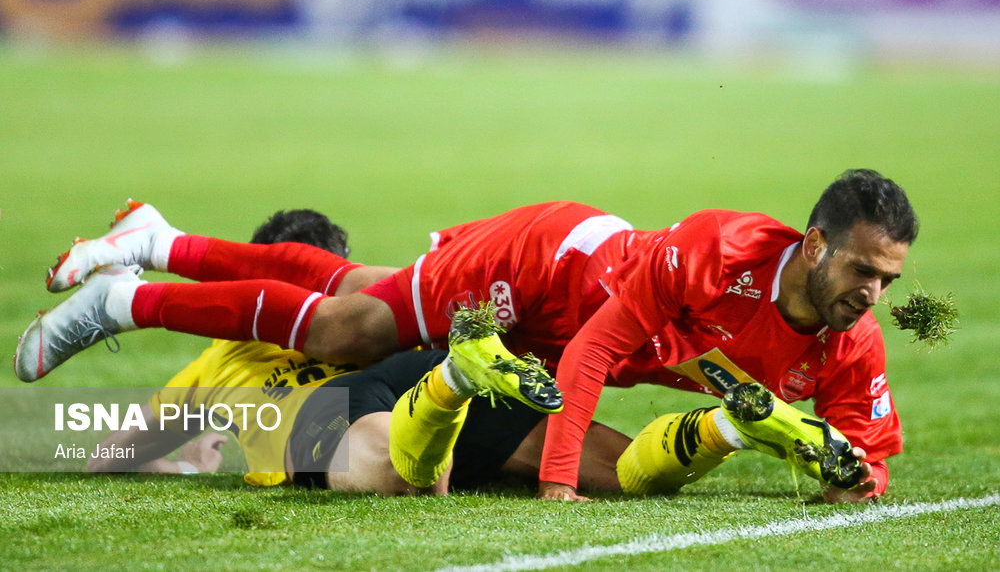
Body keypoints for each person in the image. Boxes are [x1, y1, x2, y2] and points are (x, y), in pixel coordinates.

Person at [18, 169, 917, 503]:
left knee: (360, 288)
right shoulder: (714, 254)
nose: (871, 294)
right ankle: (127, 296)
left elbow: (868, 457)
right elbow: (598, 353)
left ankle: (159, 236)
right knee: (346, 330)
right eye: (862, 273)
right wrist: (557, 482)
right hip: (539, 271)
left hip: (542, 332)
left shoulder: (844, 338)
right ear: (814, 246)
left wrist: (846, 472)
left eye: (888, 282)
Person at [85, 210, 627, 494]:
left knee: (404, 472)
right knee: (622, 472)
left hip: (340, 408)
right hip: (407, 384)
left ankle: (450, 397)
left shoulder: (221, 358)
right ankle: (455, 390)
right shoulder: (375, 315)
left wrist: (178, 467)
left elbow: (110, 454)